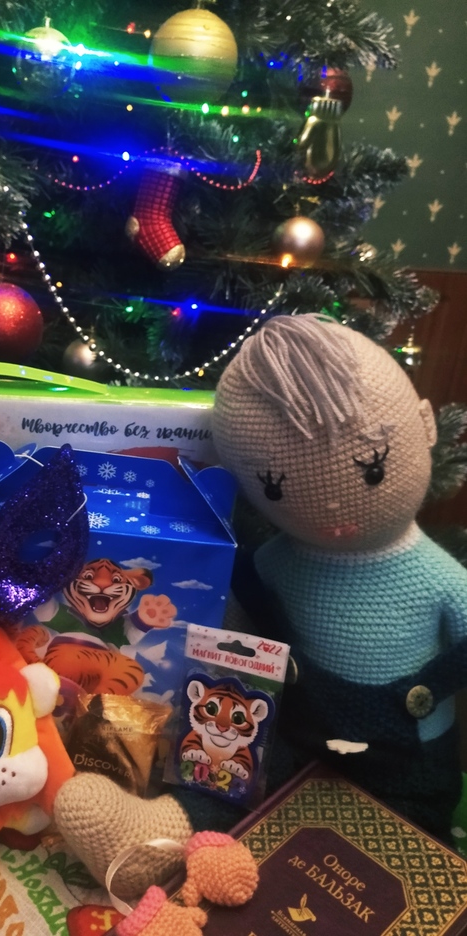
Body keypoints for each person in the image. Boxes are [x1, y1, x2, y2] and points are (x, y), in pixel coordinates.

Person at [53, 314, 467, 898]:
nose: (330, 509)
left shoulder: (438, 578)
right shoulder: (273, 562)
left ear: (424, 426)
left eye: (372, 468)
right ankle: (150, 844)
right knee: (229, 782)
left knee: (411, 861)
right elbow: (237, 625)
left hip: (408, 762)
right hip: (291, 735)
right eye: (275, 488)